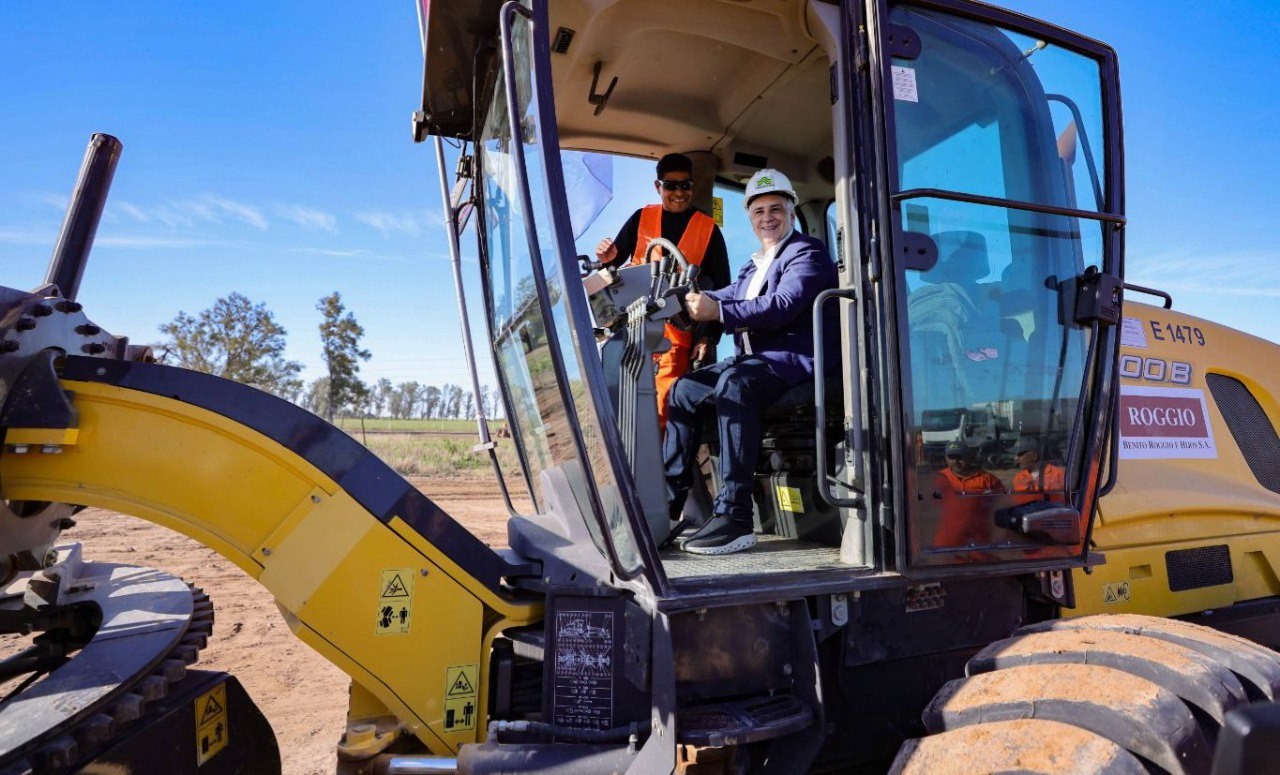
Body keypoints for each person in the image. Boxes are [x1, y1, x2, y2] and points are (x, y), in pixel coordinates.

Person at [662, 168, 838, 555]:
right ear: (750, 218)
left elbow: (783, 304)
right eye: (759, 212)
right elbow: (726, 294)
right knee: (685, 388)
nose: (767, 217)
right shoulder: (755, 263)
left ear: (791, 213)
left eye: (776, 208)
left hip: (795, 361)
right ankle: (666, 504)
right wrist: (684, 302)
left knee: (735, 384)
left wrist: (718, 311)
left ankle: (734, 516)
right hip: (757, 362)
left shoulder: (807, 252)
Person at [594, 153, 730, 430]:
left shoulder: (708, 230)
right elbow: (611, 264)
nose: (679, 192)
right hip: (631, 330)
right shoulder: (641, 218)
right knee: (624, 410)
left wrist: (709, 338)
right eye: (671, 185)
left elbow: (723, 289)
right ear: (659, 187)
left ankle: (661, 471)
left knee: (663, 412)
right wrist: (606, 257)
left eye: (685, 185)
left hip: (676, 336)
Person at [932, 440, 1006, 547]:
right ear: (946, 458)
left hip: (979, 539)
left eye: (960, 457)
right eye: (951, 457)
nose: (956, 461)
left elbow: (1002, 504)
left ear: (968, 457)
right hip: (948, 540)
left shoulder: (987, 480)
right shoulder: (939, 479)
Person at [1011, 436, 1066, 505]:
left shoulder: (1058, 474)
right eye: (1015, 454)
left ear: (1034, 456)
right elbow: (1018, 504)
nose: (1015, 458)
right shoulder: (1018, 478)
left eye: (1020, 454)